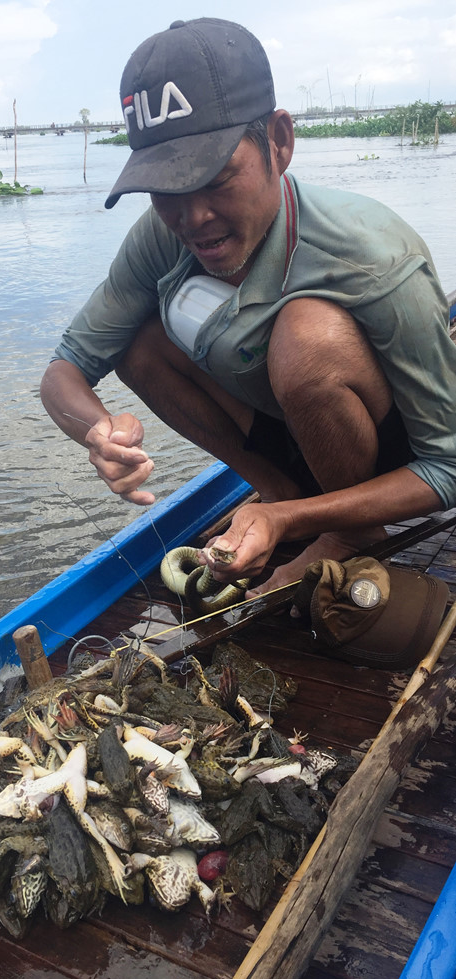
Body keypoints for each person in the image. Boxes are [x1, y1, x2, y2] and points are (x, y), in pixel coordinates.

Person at [40, 17, 456, 596]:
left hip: (388, 456)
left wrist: (291, 524)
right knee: (137, 342)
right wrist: (97, 431)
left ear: (279, 143)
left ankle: (349, 531)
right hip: (283, 430)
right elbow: (64, 369)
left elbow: (447, 468)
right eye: (168, 191)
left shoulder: (374, 257)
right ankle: (281, 491)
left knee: (306, 337)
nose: (194, 218)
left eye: (217, 178)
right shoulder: (160, 239)